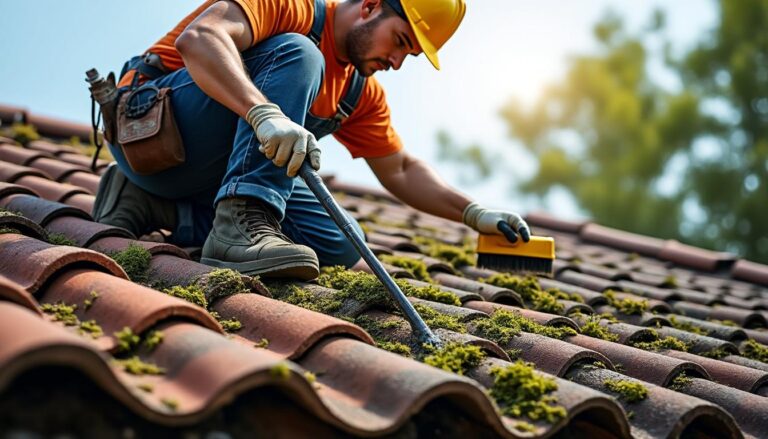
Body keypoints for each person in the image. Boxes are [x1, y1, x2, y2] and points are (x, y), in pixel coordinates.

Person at [93, 0, 530, 281]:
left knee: (340, 241)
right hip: (151, 133)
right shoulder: (293, 6)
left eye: (408, 55)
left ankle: (161, 207)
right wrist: (262, 112)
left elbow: (399, 168)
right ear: (371, 6)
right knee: (300, 53)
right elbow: (201, 38)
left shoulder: (359, 91)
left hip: (196, 177)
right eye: (400, 41)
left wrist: (473, 213)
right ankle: (240, 226)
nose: (397, 61)